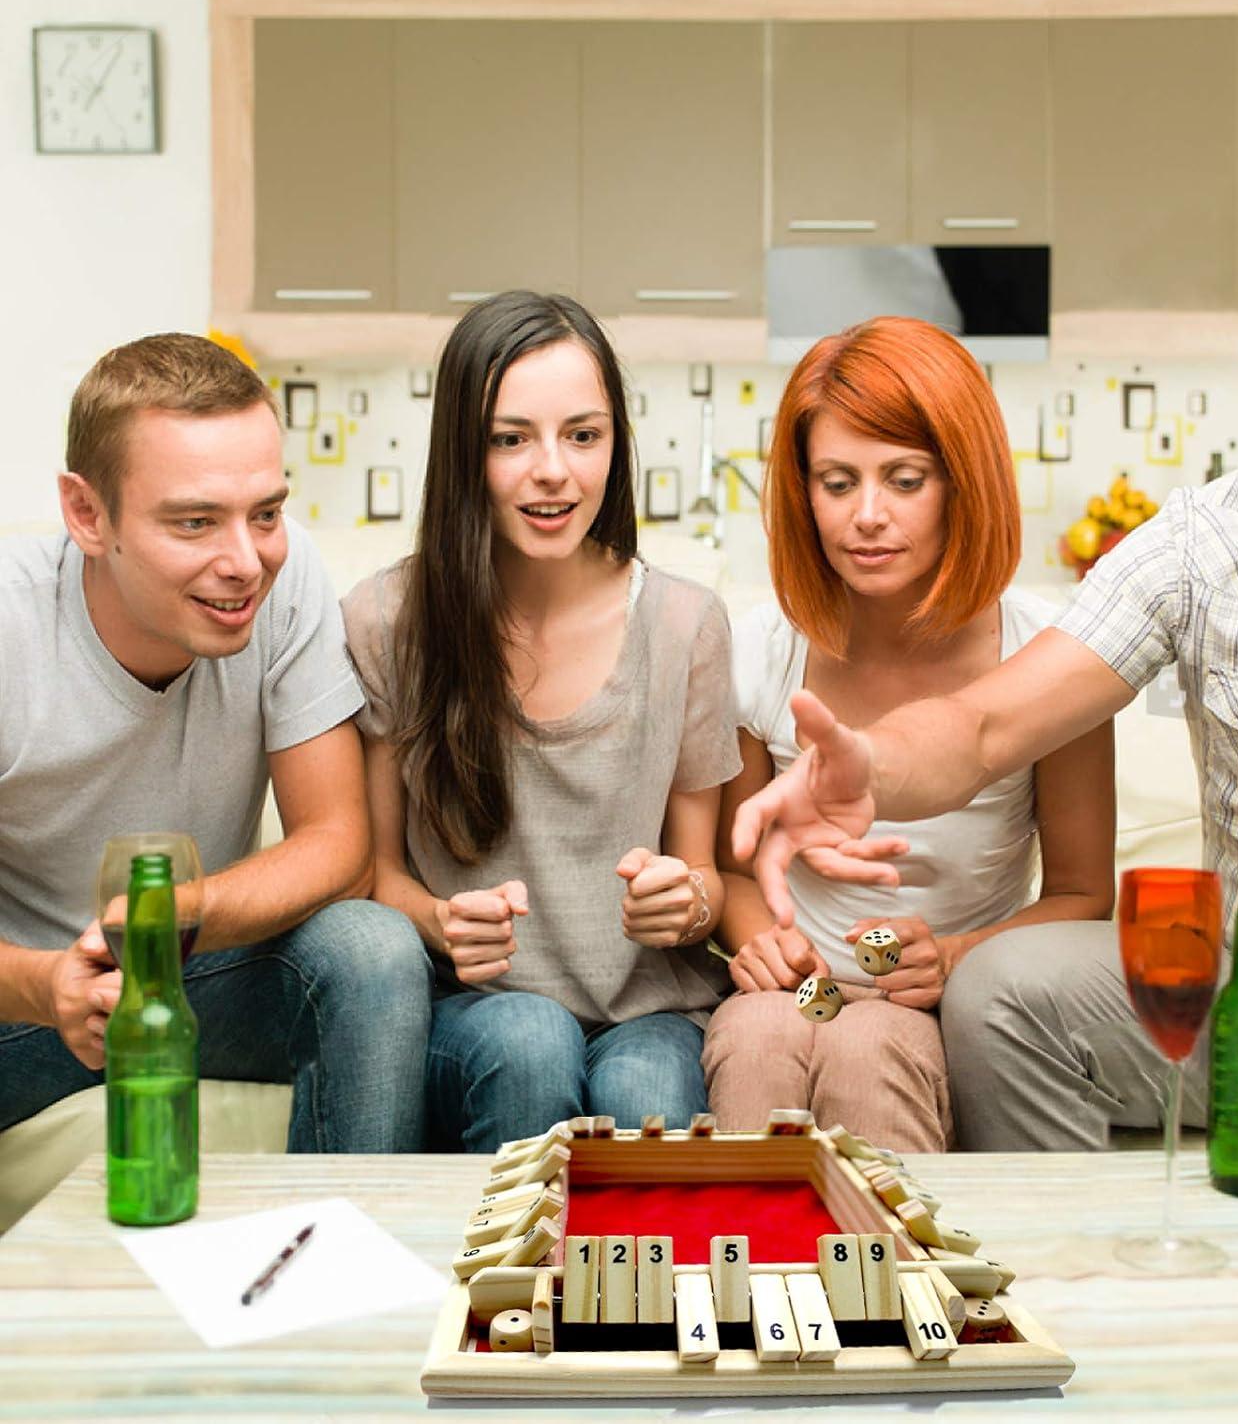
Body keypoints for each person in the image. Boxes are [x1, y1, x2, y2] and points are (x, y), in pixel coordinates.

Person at [733, 196, 1238, 1160]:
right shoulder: (1194, 548)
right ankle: (1064, 1286)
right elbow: (984, 729)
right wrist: (868, 764)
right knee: (1005, 988)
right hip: (1237, 1002)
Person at [0, 333, 432, 1150]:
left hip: (195, 972)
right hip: (28, 1007)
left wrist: (174, 915)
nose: (246, 561)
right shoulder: (10, 624)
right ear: (88, 514)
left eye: (265, 513)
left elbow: (339, 842)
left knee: (372, 949)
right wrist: (43, 983)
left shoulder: (286, 570)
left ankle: (351, 1261)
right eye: (195, 522)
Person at [342, 291, 740, 1152]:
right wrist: (439, 922)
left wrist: (686, 904)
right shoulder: (385, 621)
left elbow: (706, 881)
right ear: (462, 452)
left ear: (614, 446)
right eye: (510, 438)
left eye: (583, 435)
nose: (553, 470)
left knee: (645, 1089)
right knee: (529, 1045)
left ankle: (629, 1296)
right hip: (476, 1012)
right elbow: (372, 873)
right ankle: (504, 1291)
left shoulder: (685, 625)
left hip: (651, 1010)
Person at [704, 317, 1114, 1151]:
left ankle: (900, 1284)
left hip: (921, 1002)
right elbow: (733, 867)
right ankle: (748, 1281)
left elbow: (1083, 894)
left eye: (904, 479)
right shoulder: (761, 649)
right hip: (806, 990)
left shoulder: (1050, 657)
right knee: (757, 1037)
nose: (868, 517)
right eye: (837, 482)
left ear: (962, 486)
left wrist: (959, 956)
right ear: (801, 492)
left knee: (870, 1042)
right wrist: (762, 947)